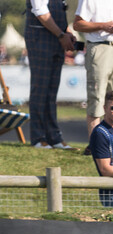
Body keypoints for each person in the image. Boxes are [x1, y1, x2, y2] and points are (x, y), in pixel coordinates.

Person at [74, 0, 113, 141]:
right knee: (97, 96)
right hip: (99, 47)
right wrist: (103, 26)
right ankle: (96, 144)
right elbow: (78, 24)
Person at [25, 0, 76, 150]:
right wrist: (61, 35)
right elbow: (40, 11)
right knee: (40, 89)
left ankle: (54, 137)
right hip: (40, 38)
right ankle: (38, 137)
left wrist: (66, 33)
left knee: (51, 91)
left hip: (56, 38)